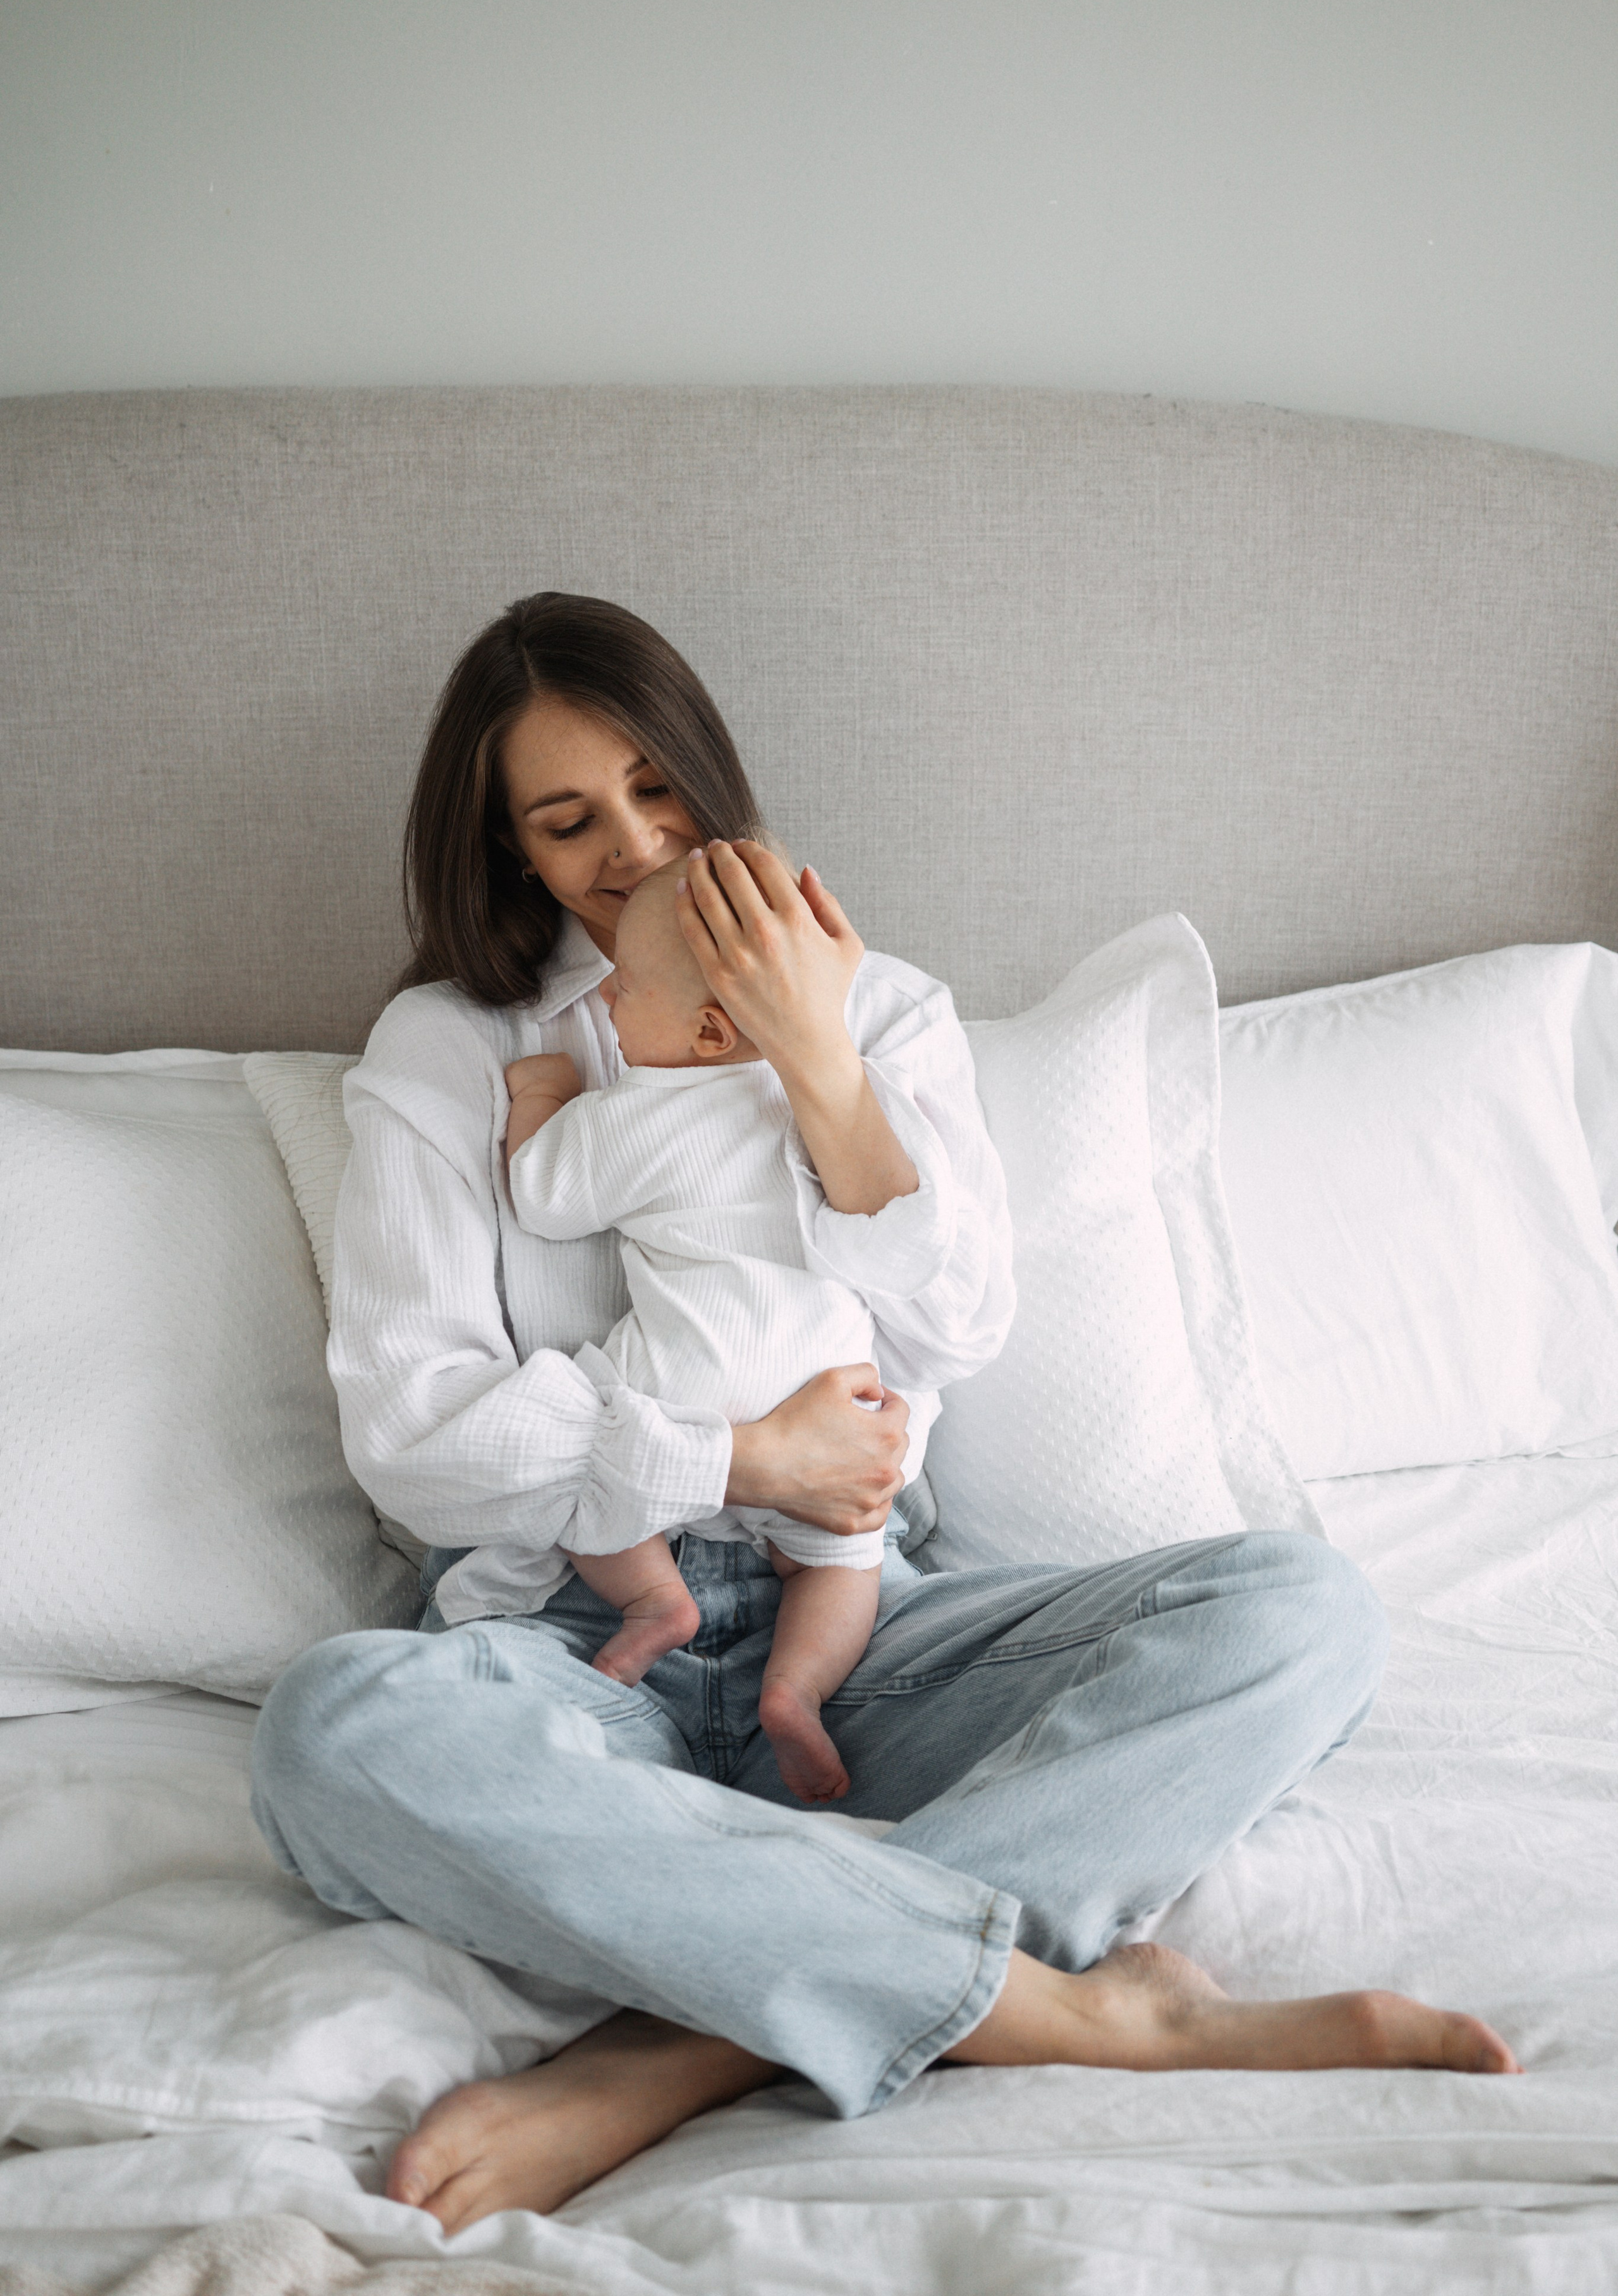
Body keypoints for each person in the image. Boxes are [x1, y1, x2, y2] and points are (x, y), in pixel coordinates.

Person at [249, 591, 1520, 2238]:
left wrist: (818, 1064)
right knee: (333, 1732)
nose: (635, 847)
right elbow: (421, 1442)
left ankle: (681, 2055)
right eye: (569, 822)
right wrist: (732, 1455)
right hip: (574, 1646)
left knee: (1302, 1611)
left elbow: (957, 1325)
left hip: (860, 1631)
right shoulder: (455, 1049)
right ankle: (1070, 2007)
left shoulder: (885, 1005)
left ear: (709, 768)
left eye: (656, 788)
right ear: (508, 850)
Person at [502, 858, 962, 1802]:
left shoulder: (636, 1113)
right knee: (845, 1560)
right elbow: (919, 1227)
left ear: (708, 1030)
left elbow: (542, 1194)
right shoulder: (843, 1102)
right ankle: (798, 1690)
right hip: (834, 1403)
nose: (608, 1003)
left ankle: (653, 1601)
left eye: (626, 988)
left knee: (585, 1457)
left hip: (686, 1387)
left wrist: (543, 1098)